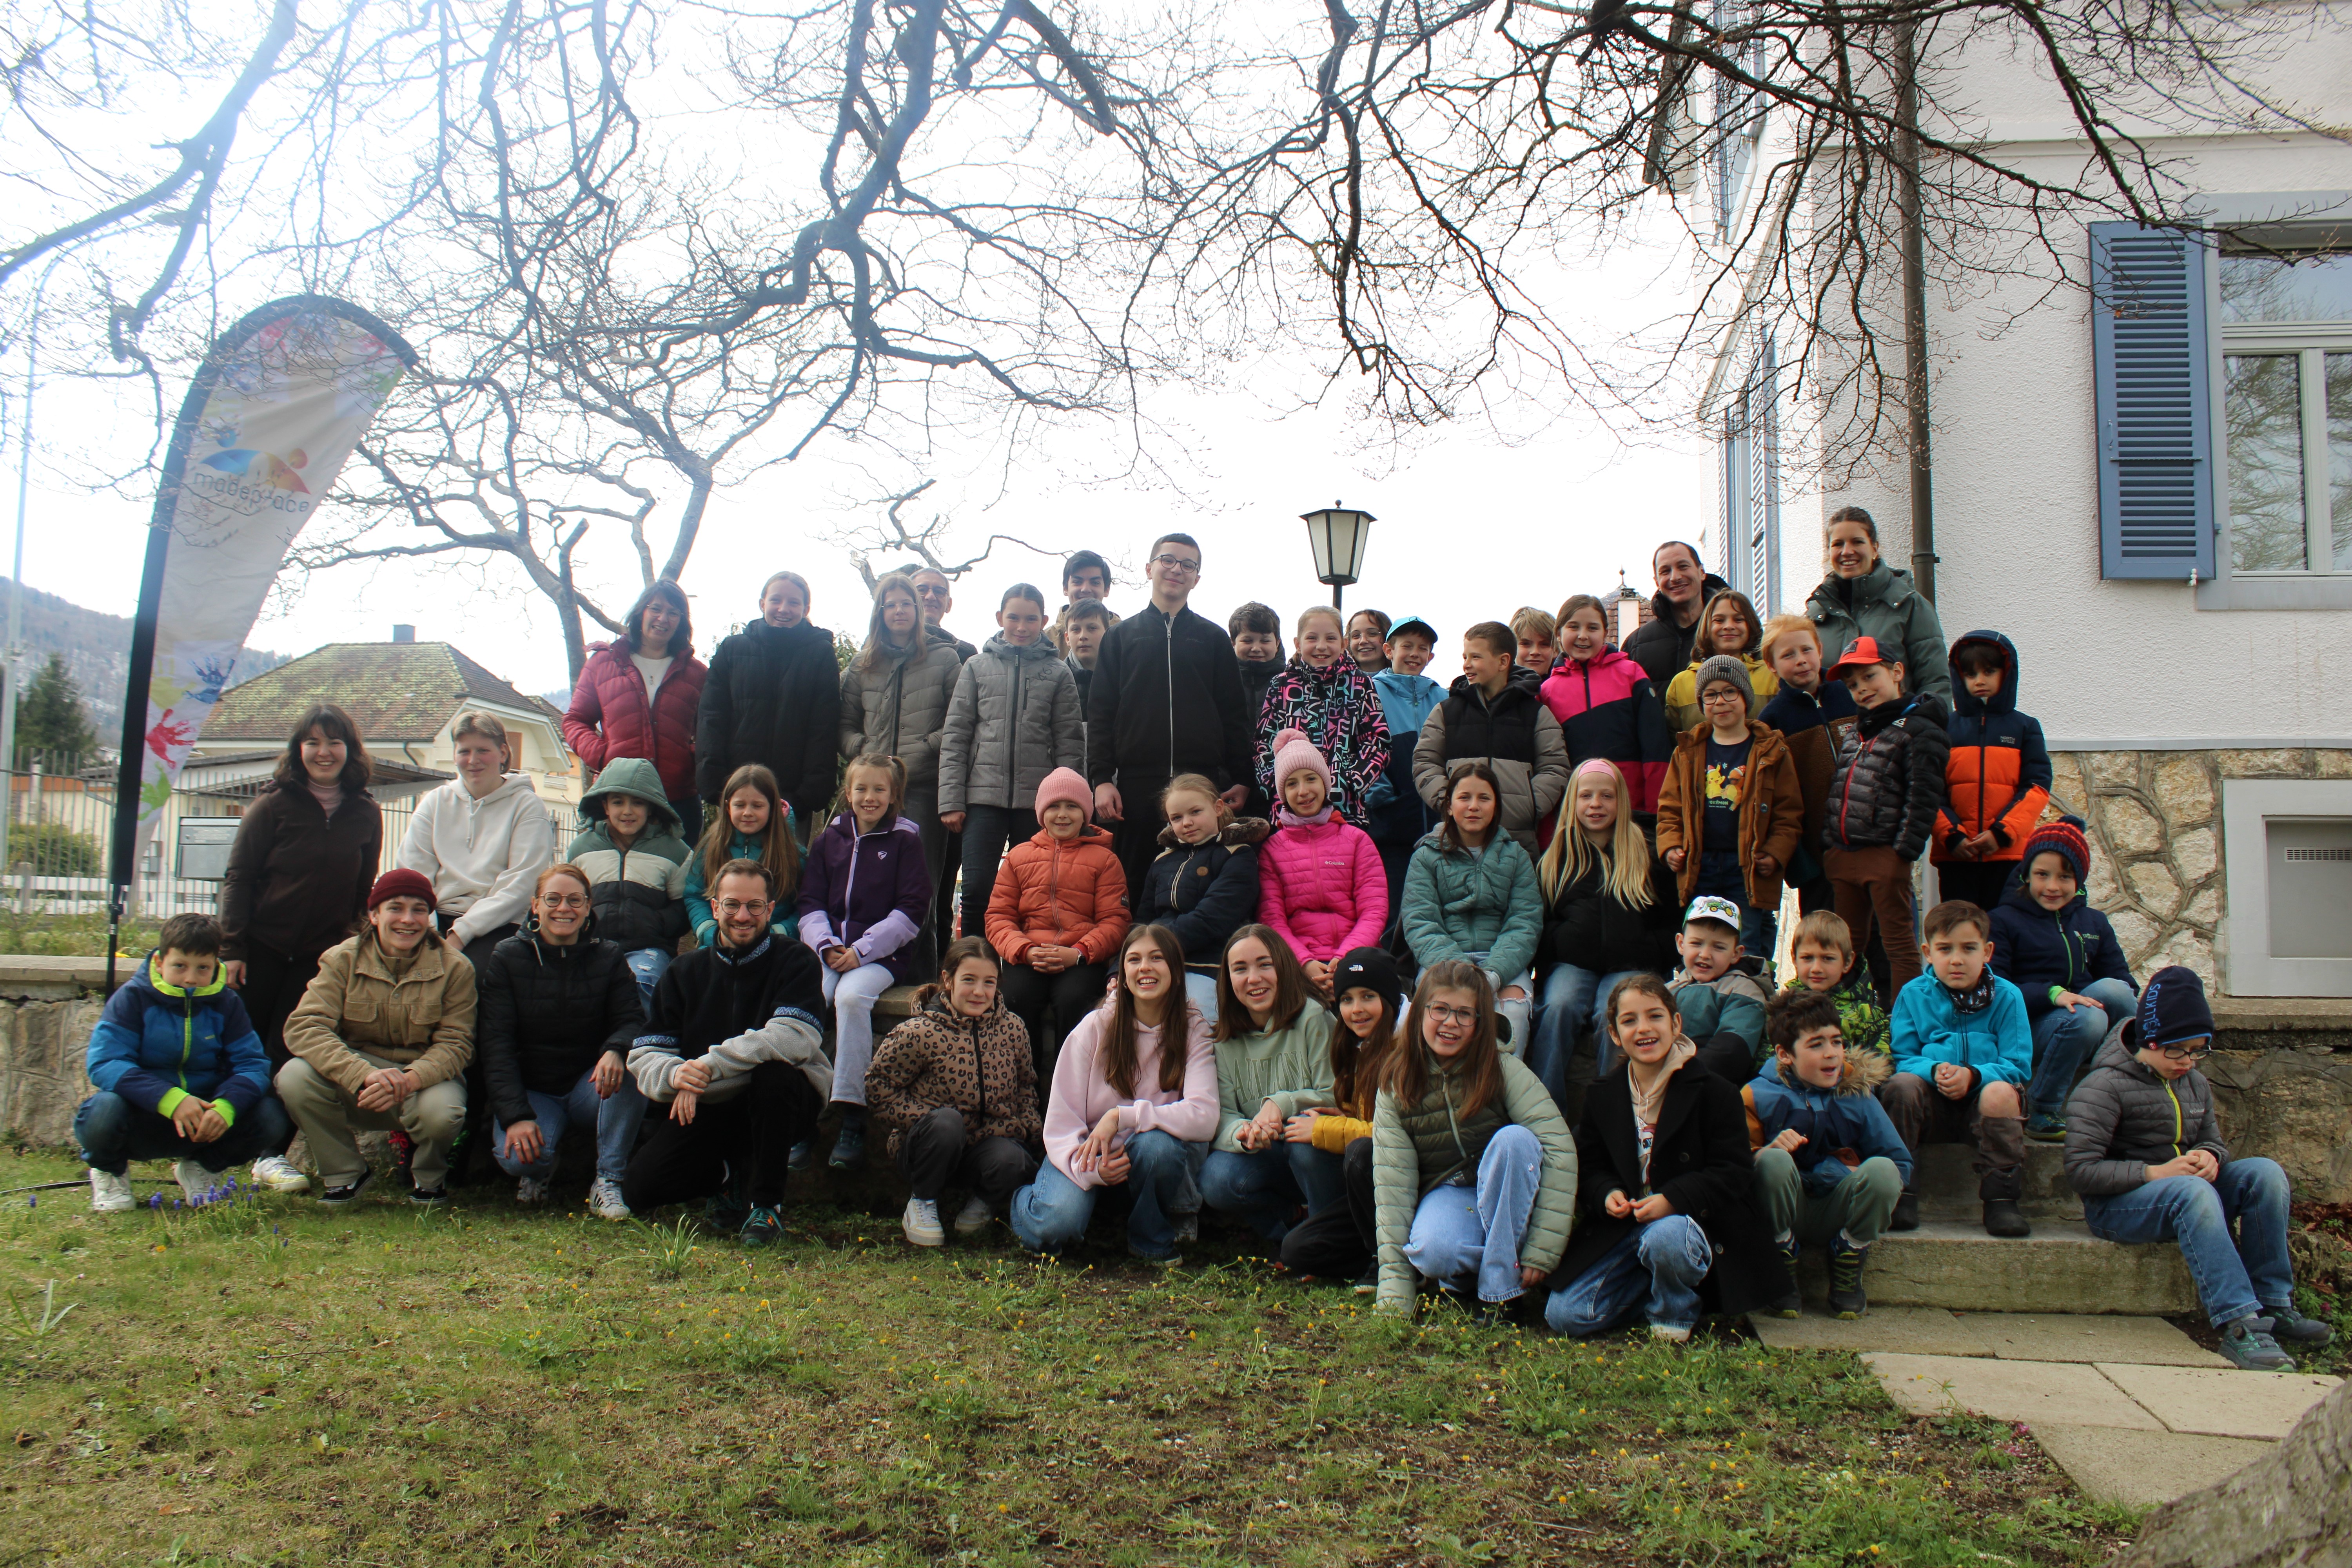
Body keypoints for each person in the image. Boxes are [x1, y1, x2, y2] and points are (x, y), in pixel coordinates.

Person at [2065, 967, 2334, 1372]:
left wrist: (2209, 1156)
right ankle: (2240, 1323)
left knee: (2265, 1172)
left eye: (2197, 1051)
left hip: (2185, 1193)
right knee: (2193, 1192)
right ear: (2149, 1039)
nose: (2188, 1062)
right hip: (2119, 1209)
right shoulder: (2102, 1087)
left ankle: (2275, 1304)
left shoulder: (2194, 1084)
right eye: (2178, 1050)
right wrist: (2156, 1173)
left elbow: (2214, 1142)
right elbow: (2082, 1171)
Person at [1544, 975, 1789, 1340]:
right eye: (1629, 1021)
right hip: (1628, 1227)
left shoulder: (1715, 1092)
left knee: (1667, 1237)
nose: (1643, 1029)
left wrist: (1674, 1199)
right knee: (1566, 1316)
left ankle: (1674, 1311)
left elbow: (1733, 1171)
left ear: (1676, 1024)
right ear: (1614, 1034)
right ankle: (1657, 1290)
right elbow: (1591, 1165)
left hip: (1692, 1224)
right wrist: (1606, 1192)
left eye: (1655, 1016)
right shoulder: (1604, 1096)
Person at [218, 701, 380, 1193]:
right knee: (245, 1054)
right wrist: (232, 949)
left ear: (350, 750)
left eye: (334, 742)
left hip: (318, 960)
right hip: (260, 950)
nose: (323, 752)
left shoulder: (365, 812)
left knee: (292, 1055)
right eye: (312, 742)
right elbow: (239, 877)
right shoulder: (272, 805)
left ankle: (272, 1156)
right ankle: (217, 1150)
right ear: (298, 749)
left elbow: (363, 887)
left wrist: (349, 943)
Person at [624, 858, 831, 1242]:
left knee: (774, 1073)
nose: (743, 915)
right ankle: (726, 1176)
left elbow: (794, 1038)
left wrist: (705, 1066)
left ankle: (766, 1207)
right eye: (732, 904)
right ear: (715, 906)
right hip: (709, 1105)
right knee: (639, 1189)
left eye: (755, 906)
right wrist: (675, 1074)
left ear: (770, 910)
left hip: (780, 1104)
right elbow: (645, 1052)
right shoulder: (684, 971)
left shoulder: (796, 960)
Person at [1371, 960, 1576, 1317]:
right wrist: (1395, 1292)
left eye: (1465, 1014)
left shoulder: (1503, 1069)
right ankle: (1472, 1274)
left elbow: (1559, 1147)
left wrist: (1543, 1247)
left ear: (1480, 1023)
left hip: (1511, 1192)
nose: (1451, 1023)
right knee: (1433, 1252)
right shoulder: (1396, 1083)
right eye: (1440, 1010)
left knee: (1515, 1140)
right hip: (1452, 1189)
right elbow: (1393, 1187)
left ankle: (1500, 1292)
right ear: (1420, 1013)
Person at [1010, 924, 1218, 1263]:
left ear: (1177, 973)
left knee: (1159, 1146)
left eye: (1156, 958)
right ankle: (1023, 1199)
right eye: (1134, 960)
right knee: (1053, 1228)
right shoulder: (1095, 1028)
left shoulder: (1193, 1029)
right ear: (1122, 976)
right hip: (1086, 1154)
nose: (1145, 968)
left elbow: (1205, 1116)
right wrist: (1092, 1171)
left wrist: (1124, 1115)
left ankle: (1149, 1239)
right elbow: (1062, 1122)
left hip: (1144, 1161)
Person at [278, 870, 476, 1205]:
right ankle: (344, 1174)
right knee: (294, 1077)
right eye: (395, 908)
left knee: (444, 1111)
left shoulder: (456, 968)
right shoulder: (342, 959)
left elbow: (457, 1044)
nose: (407, 920)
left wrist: (409, 1080)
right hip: (359, 1082)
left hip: (422, 1082)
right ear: (374, 915)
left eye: (418, 910)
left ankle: (429, 1179)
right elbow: (305, 1026)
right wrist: (363, 1075)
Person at [78, 913, 290, 1213]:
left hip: (203, 1122)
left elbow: (252, 1064)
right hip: (141, 1115)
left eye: (203, 968)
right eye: (180, 966)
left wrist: (226, 1107)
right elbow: (105, 1061)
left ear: (216, 965)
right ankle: (110, 1172)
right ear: (161, 962)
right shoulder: (132, 998)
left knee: (270, 1116)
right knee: (103, 1111)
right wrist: (170, 1100)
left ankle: (201, 1169)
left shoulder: (228, 1004)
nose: (191, 978)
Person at [475, 864, 647, 1220]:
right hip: (534, 1092)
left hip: (591, 1086)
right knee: (518, 1159)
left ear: (588, 908)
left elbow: (631, 1019)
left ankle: (609, 1181)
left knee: (635, 1066)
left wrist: (616, 1049)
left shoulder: (609, 956)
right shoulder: (507, 957)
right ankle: (539, 1172)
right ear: (535, 906)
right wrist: (515, 1115)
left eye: (575, 900)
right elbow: (495, 1045)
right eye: (553, 899)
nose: (564, 909)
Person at [1088, 533, 1254, 891]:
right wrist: (1102, 778)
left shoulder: (1213, 639)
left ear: (1197, 578)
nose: (1177, 570)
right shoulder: (1120, 638)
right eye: (1168, 560)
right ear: (1150, 569)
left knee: (1199, 880)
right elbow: (1102, 713)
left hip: (1201, 782)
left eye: (1188, 564)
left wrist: (1242, 775)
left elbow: (1233, 714)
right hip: (1135, 786)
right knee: (1134, 883)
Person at [799, 753, 934, 1170]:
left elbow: (912, 910)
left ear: (894, 795)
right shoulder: (830, 838)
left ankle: (852, 1115)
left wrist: (861, 951)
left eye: (879, 789)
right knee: (813, 996)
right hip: (830, 951)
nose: (869, 797)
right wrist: (825, 945)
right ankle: (803, 1113)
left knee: (852, 998)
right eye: (862, 788)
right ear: (848, 792)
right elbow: (810, 901)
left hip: (882, 956)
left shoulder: (906, 841)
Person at [866, 936, 1042, 1247]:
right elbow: (879, 1087)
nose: (979, 992)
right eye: (969, 980)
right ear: (948, 979)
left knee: (1014, 1160)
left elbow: (1026, 1085)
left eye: (989, 982)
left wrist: (1027, 1125)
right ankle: (923, 1202)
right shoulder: (919, 1032)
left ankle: (983, 1201)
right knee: (947, 1124)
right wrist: (926, 1121)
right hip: (930, 1148)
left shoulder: (1013, 1029)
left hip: (986, 1147)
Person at [1746, 988, 1910, 1320]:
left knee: (1883, 1169)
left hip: (1840, 1207)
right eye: (1816, 1044)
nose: (1832, 1054)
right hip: (1785, 1211)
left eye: (1836, 1042)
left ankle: (1850, 1251)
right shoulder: (1756, 1094)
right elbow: (1730, 1166)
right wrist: (1766, 1151)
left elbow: (1901, 1164)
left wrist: (1851, 1173)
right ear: (1784, 1054)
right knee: (1772, 1160)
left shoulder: (1858, 1094)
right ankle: (1781, 1261)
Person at [1530, 759, 1679, 1113]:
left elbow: (1671, 920)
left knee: (1613, 1015)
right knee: (1558, 1007)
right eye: (1586, 796)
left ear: (1621, 801)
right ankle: (1544, 1110)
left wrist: (1652, 950)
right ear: (1573, 802)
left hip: (1632, 965)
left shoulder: (1646, 852)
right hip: (1573, 964)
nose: (1596, 804)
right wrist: (1562, 941)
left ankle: (1612, 1112)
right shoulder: (1556, 859)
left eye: (1606, 796)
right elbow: (1540, 921)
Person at [1878, 900, 2032, 1238]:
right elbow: (1902, 1057)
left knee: (2000, 1092)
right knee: (1901, 1085)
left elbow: (2018, 1066)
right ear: (1928, 953)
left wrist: (1974, 1076)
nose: (1957, 959)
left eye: (1969, 948)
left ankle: (2001, 1200)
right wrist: (1934, 1071)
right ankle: (1900, 1192)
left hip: (1983, 1109)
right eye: (1945, 949)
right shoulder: (1912, 994)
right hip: (1931, 1105)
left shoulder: (2008, 997)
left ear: (1988, 951)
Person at [939, 582, 1086, 928]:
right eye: (1014, 618)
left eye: (1031, 619)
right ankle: (975, 971)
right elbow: (957, 734)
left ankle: (1023, 971)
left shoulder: (1058, 672)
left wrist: (1067, 802)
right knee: (977, 890)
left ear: (1045, 620)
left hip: (1036, 804)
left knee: (1033, 893)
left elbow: (1069, 741)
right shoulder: (976, 667)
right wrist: (951, 799)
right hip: (981, 799)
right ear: (1000, 618)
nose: (1022, 627)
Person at [1990, 817, 2138, 1142]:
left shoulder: (2094, 922)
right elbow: (1997, 988)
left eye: (2065, 877)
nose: (2053, 886)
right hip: (2034, 1029)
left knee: (2119, 990)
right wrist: (2053, 994)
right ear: (2026, 873)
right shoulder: (2002, 921)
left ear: (2079, 880)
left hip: (2090, 1027)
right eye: (2042, 875)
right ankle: (2043, 1107)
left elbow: (2121, 979)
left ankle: (2133, 1092)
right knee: (2088, 1017)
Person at [986, 766, 1131, 1090]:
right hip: (1029, 955)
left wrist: (1079, 953)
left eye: (1072, 807)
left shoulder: (1106, 860)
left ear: (1085, 813)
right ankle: (1024, 1089)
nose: (1062, 815)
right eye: (1054, 807)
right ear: (1041, 813)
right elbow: (998, 916)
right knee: (1015, 997)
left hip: (1080, 957)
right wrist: (1024, 949)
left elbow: (1116, 920)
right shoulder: (1018, 857)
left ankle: (1072, 1091)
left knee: (1075, 999)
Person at [1822, 635, 1950, 998]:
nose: (1862, 689)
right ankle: (1843, 1018)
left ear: (1896, 672)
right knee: (1845, 948)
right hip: (1844, 855)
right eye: (1853, 685)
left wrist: (1901, 854)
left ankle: (1905, 1025)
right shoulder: (1857, 731)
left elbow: (1924, 797)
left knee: (1897, 942)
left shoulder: (1920, 729)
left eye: (1869, 677)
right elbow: (1840, 789)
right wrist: (1831, 844)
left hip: (1884, 857)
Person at [1654, 655, 1802, 967]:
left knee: (1743, 945)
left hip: (1746, 868)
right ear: (1702, 703)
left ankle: (1745, 1002)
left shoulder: (1772, 752)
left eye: (1729, 692)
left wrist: (1775, 853)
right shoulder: (1687, 751)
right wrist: (1670, 846)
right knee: (1700, 945)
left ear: (1746, 697)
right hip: (1699, 866)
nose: (1721, 701)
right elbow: (1669, 809)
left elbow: (1789, 814)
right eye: (1711, 695)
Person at [840, 572, 964, 936]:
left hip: (924, 785)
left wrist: (925, 747)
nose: (899, 611)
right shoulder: (863, 664)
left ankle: (920, 974)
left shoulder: (945, 658)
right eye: (890, 604)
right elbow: (844, 724)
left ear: (918, 610)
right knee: (870, 880)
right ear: (879, 611)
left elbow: (960, 720)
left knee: (920, 885)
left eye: (906, 603)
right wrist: (864, 751)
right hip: (871, 790)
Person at [1276, 946, 1404, 1290]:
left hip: (1407, 1189)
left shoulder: (1408, 1054)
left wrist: (1325, 1128)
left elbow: (1397, 1136)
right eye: (1347, 999)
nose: (1357, 1009)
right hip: (1368, 1196)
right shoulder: (1356, 1049)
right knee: (1297, 1250)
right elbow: (1363, 1116)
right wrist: (1339, 1114)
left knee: (1360, 1154)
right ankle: (1370, 1256)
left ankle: (1389, 1262)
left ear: (1389, 1000)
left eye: (1368, 997)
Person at [1200, 926, 1337, 1242]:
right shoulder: (1223, 1040)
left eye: (1265, 964)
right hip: (1269, 1156)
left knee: (1305, 1148)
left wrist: (1280, 1104)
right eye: (1240, 969)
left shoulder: (1312, 1018)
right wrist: (1244, 1133)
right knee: (1217, 1178)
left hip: (1320, 1157)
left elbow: (1333, 1094)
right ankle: (1288, 1233)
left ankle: (1327, 1239)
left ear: (1283, 966)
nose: (1254, 978)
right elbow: (1221, 1116)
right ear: (1228, 979)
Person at [397, 711, 557, 971]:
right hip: (432, 919)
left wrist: (459, 936)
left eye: (483, 750)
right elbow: (413, 871)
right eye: (464, 751)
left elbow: (522, 882)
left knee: (469, 977)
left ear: (503, 753)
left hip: (497, 924)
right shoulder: (435, 802)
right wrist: (428, 928)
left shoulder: (527, 806)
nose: (473, 761)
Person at [1401, 761, 1542, 1052]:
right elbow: (1421, 922)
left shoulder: (1516, 857)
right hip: (1442, 962)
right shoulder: (1426, 857)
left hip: (1502, 964)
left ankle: (1503, 1091)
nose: (1474, 806)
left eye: (1484, 798)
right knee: (1440, 1016)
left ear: (1496, 807)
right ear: (1450, 806)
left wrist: (1493, 973)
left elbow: (1525, 922)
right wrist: (1462, 972)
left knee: (1513, 1015)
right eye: (1464, 798)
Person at [698, 570, 842, 837]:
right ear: (762, 603)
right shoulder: (732, 650)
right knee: (733, 874)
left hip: (793, 800)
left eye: (794, 603)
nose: (784, 609)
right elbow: (711, 718)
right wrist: (717, 786)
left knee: (785, 873)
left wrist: (807, 796)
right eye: (776, 600)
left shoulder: (819, 654)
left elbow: (824, 727)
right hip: (737, 798)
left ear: (806, 608)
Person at [1412, 620, 1569, 856]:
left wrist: (1529, 806)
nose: (1467, 665)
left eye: (1476, 657)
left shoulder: (1536, 714)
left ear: (1503, 661)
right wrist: (1450, 803)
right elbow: (1425, 761)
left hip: (1517, 842)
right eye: (1465, 657)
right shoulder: (1446, 712)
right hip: (1458, 839)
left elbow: (1555, 766)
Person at [562, 579, 707, 825]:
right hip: (615, 797)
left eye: (674, 613)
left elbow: (710, 731)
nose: (663, 618)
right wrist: (602, 756)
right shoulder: (602, 664)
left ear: (682, 622)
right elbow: (575, 721)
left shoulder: (698, 674)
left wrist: (690, 761)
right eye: (656, 609)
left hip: (678, 802)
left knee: (676, 866)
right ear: (641, 611)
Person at [1258, 728, 1388, 994]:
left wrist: (1345, 959)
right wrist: (1304, 963)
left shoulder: (1357, 840)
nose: (1304, 791)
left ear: (1325, 783)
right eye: (1292, 784)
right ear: (1283, 794)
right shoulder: (1272, 849)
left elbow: (1374, 912)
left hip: (1357, 958)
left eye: (1311, 779)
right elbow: (1272, 918)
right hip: (1297, 963)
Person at [1933, 631, 2051, 913]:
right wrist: (1951, 836)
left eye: (1989, 671)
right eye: (1971, 674)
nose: (1980, 681)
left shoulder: (2025, 727)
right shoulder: (1944, 728)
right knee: (1959, 932)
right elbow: (1928, 789)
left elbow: (2037, 787)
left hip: (2008, 856)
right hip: (1956, 857)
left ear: (2007, 673)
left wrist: (2001, 833)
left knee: (2004, 934)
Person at [1137, 773, 1268, 1023]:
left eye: (1195, 812)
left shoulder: (1239, 855)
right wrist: (1118, 970)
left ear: (1218, 808)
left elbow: (1211, 919)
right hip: (1155, 963)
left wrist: (1153, 949)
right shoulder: (1162, 861)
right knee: (1111, 1018)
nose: (1187, 823)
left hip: (1208, 965)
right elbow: (1142, 920)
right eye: (1176, 818)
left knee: (1197, 1022)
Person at [565, 757, 692, 1006]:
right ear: (604, 805)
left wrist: (657, 924)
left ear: (652, 806)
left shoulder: (675, 852)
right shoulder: (582, 850)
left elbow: (685, 904)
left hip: (649, 949)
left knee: (643, 982)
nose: (627, 811)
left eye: (638, 802)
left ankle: (643, 1044)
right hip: (593, 946)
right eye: (618, 802)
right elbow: (568, 898)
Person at [1757, 613, 1858, 920]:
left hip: (1866, 842)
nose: (1800, 660)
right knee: (1825, 933)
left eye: (1806, 650)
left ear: (1820, 650)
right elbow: (1777, 799)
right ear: (1773, 666)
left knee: (1879, 934)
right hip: (1818, 857)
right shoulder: (1773, 720)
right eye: (1788, 655)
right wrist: (1800, 864)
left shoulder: (1851, 695)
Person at [1539, 594, 1671, 823]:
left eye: (1593, 628)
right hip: (1576, 816)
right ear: (1559, 634)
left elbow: (1656, 748)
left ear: (1605, 633)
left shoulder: (1631, 675)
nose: (1583, 635)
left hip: (1631, 810)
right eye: (1574, 627)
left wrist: (1655, 813)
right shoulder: (1548, 691)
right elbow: (1549, 764)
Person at [1254, 604, 1390, 825]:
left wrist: (1352, 782)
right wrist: (1275, 785)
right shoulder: (1282, 685)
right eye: (1312, 638)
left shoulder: (1360, 684)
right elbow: (1263, 742)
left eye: (1331, 639)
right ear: (1298, 644)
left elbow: (1378, 741)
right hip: (1289, 809)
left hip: (1345, 810)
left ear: (1344, 644)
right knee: (1291, 860)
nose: (1321, 647)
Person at [1806, 506, 1951, 705]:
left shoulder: (1909, 605)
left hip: (1900, 732)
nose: (1847, 552)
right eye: (1838, 544)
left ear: (1875, 547)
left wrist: (1924, 728)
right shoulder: (1815, 614)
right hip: (1839, 735)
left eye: (1857, 542)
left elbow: (1935, 683)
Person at [1363, 613, 1446, 939]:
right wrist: (1381, 796)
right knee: (1393, 911)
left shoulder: (1443, 698)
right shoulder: (1370, 692)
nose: (1414, 654)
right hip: (1392, 827)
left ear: (1431, 656)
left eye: (1422, 648)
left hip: (1437, 825)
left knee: (1433, 910)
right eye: (1406, 646)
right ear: (1388, 650)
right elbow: (1362, 747)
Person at [685, 764, 802, 948]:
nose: (748, 812)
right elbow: (694, 895)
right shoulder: (711, 848)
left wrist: (779, 933)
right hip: (717, 947)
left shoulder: (793, 854)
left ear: (773, 807)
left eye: (757, 806)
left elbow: (805, 906)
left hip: (774, 950)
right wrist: (711, 933)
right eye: (740, 805)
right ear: (727, 807)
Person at [1668, 896, 1771, 1083]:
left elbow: (1730, 1052)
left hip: (1705, 1089)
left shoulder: (1745, 991)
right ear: (1681, 944)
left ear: (1736, 953)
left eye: (1719, 947)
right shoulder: (1668, 989)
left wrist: (1676, 1077)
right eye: (1697, 943)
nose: (1705, 955)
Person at [1661, 590, 1780, 733]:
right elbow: (1675, 739)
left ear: (1751, 626)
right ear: (1707, 626)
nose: (1729, 626)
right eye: (1719, 620)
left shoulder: (1771, 676)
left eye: (1739, 620)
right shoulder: (1681, 683)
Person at [1780, 909, 1890, 1060]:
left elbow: (1881, 1065)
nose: (1816, 969)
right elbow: (1766, 1060)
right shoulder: (1782, 1009)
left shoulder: (1868, 1016)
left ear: (1847, 962)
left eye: (1828, 959)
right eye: (1807, 958)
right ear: (1794, 958)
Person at [1624, 540, 1731, 692]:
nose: (1675, 577)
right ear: (1657, 582)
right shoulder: (1637, 644)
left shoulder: (1733, 632)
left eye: (1683, 566)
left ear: (1701, 572)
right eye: (1665, 571)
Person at [907, 565, 979, 663]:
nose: (931, 597)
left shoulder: (964, 654)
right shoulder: (883, 648)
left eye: (939, 592)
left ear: (949, 605)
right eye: (922, 590)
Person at [1229, 602, 1287, 720]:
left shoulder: (1290, 682)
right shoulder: (1221, 680)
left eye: (1265, 641)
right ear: (1233, 643)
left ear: (1277, 643)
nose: (1256, 649)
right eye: (1247, 641)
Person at [1058, 550, 1113, 628]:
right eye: (1078, 582)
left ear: (1107, 590)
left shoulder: (1125, 636)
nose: (1086, 589)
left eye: (1095, 583)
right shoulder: (1046, 638)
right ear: (1065, 588)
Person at [1509, 606, 1558, 677]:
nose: (1535, 652)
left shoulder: (1567, 686)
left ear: (1556, 650)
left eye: (1544, 645)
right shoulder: (1495, 686)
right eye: (1526, 644)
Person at [1346, 608, 1392, 673]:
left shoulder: (1406, 680)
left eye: (1372, 634)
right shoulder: (1337, 680)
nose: (1363, 641)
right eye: (1356, 636)